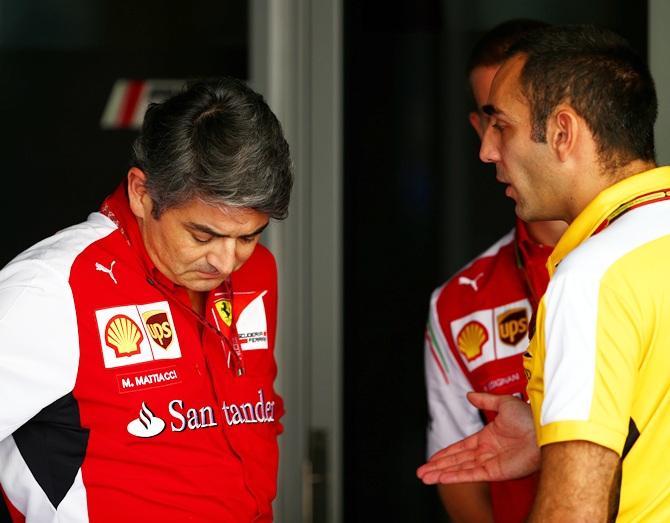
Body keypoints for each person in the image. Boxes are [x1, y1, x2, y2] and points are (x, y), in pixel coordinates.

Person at [0, 77, 292, 522]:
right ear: (142, 193)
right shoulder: (51, 287)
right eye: (203, 234)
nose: (227, 261)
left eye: (249, 236)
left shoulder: (259, 271)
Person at [418, 24, 670, 522]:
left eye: (503, 126)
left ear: (562, 132)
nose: (488, 152)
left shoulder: (590, 278)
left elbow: (573, 513)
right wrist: (544, 427)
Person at [424, 19, 566, 523]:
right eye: (492, 121)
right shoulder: (461, 301)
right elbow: (456, 467)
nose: (495, 149)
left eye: (510, 121)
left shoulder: (643, 254)